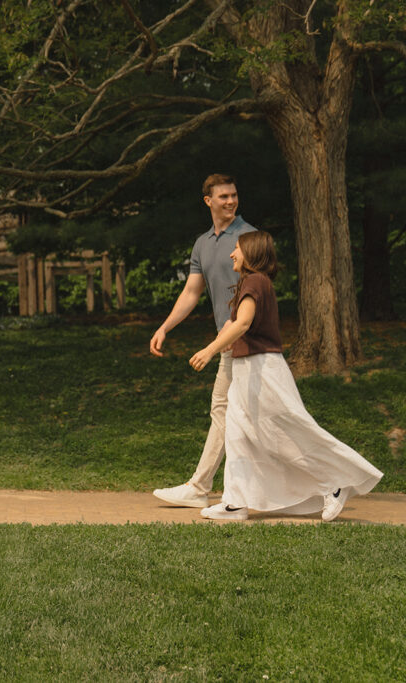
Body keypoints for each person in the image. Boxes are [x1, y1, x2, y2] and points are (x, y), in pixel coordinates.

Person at [188, 231, 383, 521]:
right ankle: (235, 502)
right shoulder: (254, 282)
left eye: (237, 248)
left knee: (283, 434)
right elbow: (241, 326)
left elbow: (243, 323)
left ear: (252, 253)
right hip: (247, 370)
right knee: (238, 434)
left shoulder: (255, 281)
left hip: (262, 372)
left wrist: (209, 350)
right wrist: (228, 339)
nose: (232, 254)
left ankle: (335, 483)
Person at [150, 174, 256, 508]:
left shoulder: (249, 237)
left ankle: (201, 487)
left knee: (249, 414)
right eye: (223, 196)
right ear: (208, 201)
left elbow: (256, 292)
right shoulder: (202, 244)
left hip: (246, 340)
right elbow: (191, 292)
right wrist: (165, 327)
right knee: (231, 412)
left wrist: (231, 333)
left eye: (234, 195)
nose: (230, 201)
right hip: (229, 341)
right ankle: (203, 487)